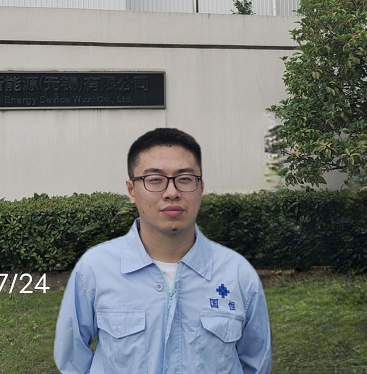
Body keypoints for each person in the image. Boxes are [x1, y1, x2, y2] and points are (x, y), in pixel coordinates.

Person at [54, 127, 272, 374]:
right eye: (155, 180)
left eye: (185, 179)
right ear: (132, 190)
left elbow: (256, 363)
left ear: (200, 188)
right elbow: (72, 359)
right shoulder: (95, 269)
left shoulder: (237, 274)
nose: (171, 193)